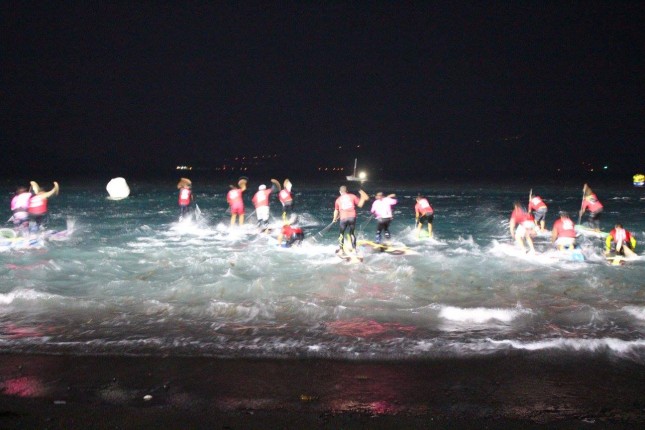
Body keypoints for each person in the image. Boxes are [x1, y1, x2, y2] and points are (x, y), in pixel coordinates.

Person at [332, 186, 369, 253]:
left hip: (343, 218)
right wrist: (363, 198)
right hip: (352, 217)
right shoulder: (352, 196)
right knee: (352, 233)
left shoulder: (338, 200)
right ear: (347, 191)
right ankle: (354, 250)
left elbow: (336, 210)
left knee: (341, 234)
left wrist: (334, 219)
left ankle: (341, 250)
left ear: (340, 192)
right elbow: (360, 205)